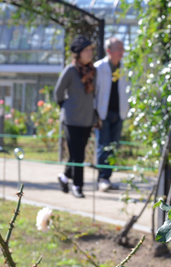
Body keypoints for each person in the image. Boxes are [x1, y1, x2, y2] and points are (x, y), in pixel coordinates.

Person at [55, 36, 98, 199]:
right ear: (78, 53)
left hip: (86, 120)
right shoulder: (70, 70)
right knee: (79, 155)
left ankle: (64, 177)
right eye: (86, 50)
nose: (89, 53)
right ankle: (78, 186)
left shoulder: (93, 71)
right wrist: (66, 107)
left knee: (75, 155)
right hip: (71, 120)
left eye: (90, 50)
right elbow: (58, 92)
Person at [94, 37, 130, 192]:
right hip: (103, 114)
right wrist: (94, 115)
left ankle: (107, 178)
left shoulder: (125, 68)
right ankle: (102, 179)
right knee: (103, 146)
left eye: (122, 49)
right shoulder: (99, 67)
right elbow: (94, 93)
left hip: (119, 112)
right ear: (109, 51)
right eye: (118, 49)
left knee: (113, 147)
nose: (121, 52)